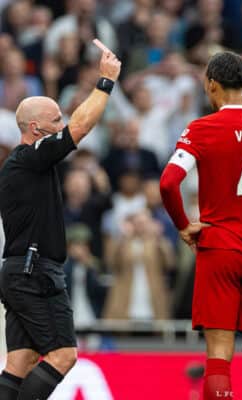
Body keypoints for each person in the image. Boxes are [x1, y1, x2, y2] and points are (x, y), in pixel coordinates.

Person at [159, 51, 242, 400]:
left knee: (218, 356)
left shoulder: (202, 128)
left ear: (212, 84)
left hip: (219, 249)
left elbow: (168, 183)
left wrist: (183, 225)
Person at [0, 45, 121, 400]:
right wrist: (105, 82)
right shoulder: (27, 158)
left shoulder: (23, 165)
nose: (62, 125)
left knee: (19, 362)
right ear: (35, 129)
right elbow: (80, 127)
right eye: (55, 121)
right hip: (34, 270)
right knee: (64, 354)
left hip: (19, 269)